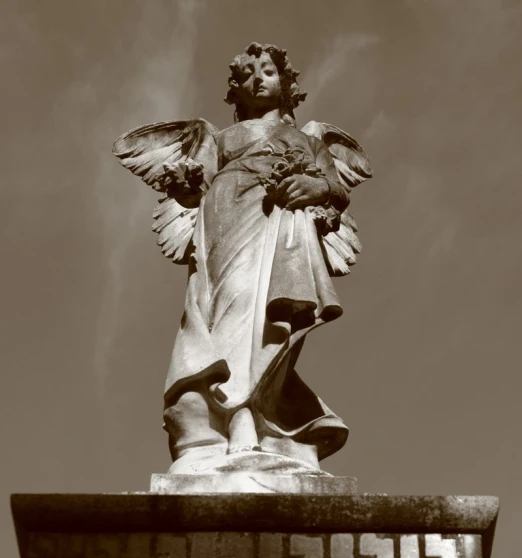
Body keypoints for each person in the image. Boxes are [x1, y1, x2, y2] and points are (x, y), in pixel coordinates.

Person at [113, 43, 371, 474]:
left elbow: (335, 188)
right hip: (227, 217)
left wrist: (317, 189)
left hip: (283, 225)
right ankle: (232, 418)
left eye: (267, 70)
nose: (258, 79)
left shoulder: (309, 140)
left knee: (266, 317)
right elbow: (198, 187)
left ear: (286, 83)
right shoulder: (218, 138)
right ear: (237, 91)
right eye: (248, 74)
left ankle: (254, 418)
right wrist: (184, 184)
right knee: (228, 304)